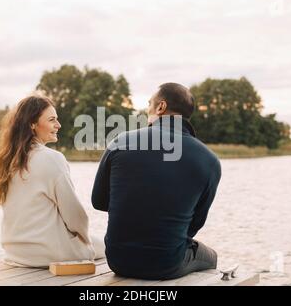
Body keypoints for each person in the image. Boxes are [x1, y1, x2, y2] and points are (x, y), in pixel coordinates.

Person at [91, 83, 221, 279]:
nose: (147, 110)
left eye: (149, 104)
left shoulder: (121, 141)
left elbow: (99, 202)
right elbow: (195, 224)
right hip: (167, 264)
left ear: (161, 107)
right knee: (211, 256)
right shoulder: (210, 160)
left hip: (118, 260)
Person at [0, 95, 104, 267]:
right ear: (32, 124)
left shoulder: (8, 161)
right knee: (107, 244)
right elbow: (76, 217)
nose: (58, 125)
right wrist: (85, 240)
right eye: (52, 120)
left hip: (15, 253)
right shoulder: (52, 159)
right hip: (49, 253)